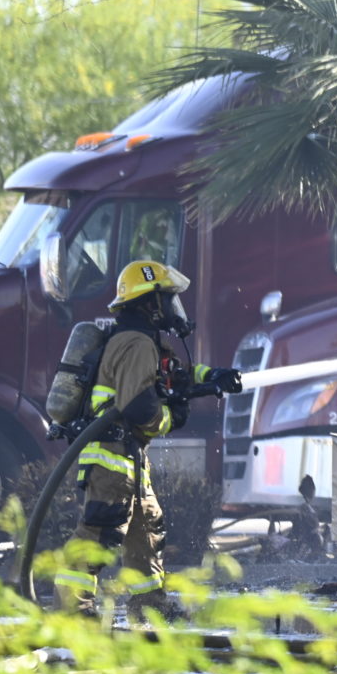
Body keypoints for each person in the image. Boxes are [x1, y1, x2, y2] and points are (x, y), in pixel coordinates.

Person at [52, 260, 242, 620]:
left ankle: (150, 609)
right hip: (111, 458)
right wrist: (173, 417)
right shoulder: (136, 343)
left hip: (128, 458)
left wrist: (212, 376)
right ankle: (71, 614)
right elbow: (140, 408)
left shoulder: (143, 340)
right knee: (99, 534)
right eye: (168, 298)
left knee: (146, 531)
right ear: (150, 303)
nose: (174, 307)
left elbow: (175, 376)